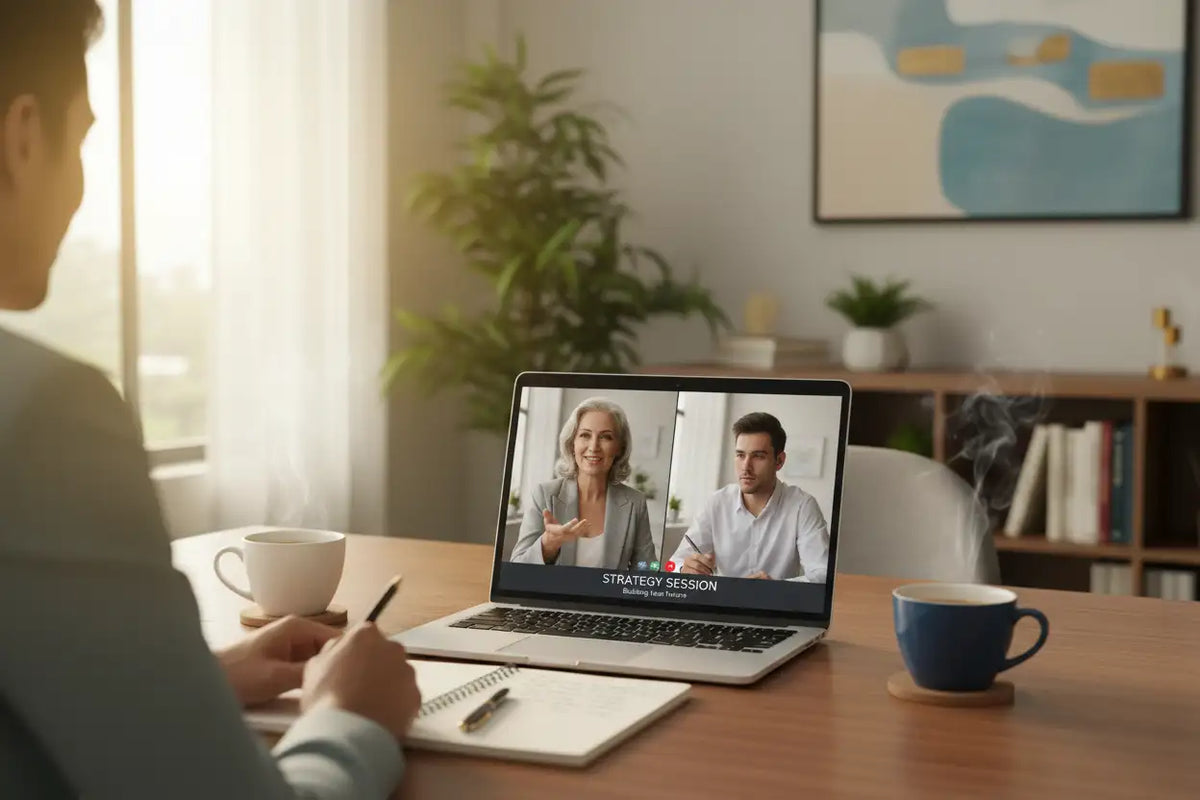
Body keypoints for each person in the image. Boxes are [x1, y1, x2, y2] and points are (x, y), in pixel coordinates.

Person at [0, 3, 419, 797]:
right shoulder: (39, 417)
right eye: (85, 138)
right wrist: (349, 717)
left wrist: (184, 687)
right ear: (23, 137)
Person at [668, 412, 829, 582]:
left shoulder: (802, 506)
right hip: (723, 604)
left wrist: (776, 588)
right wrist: (682, 568)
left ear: (779, 461)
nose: (746, 467)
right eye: (740, 455)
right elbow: (671, 564)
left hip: (776, 605)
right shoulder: (717, 503)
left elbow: (822, 574)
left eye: (758, 456)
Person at [510, 397, 657, 570]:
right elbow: (516, 567)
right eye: (585, 435)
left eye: (606, 437)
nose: (594, 446)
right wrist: (547, 545)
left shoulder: (635, 502)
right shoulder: (544, 494)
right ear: (572, 443)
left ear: (619, 447)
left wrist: (642, 572)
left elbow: (647, 566)